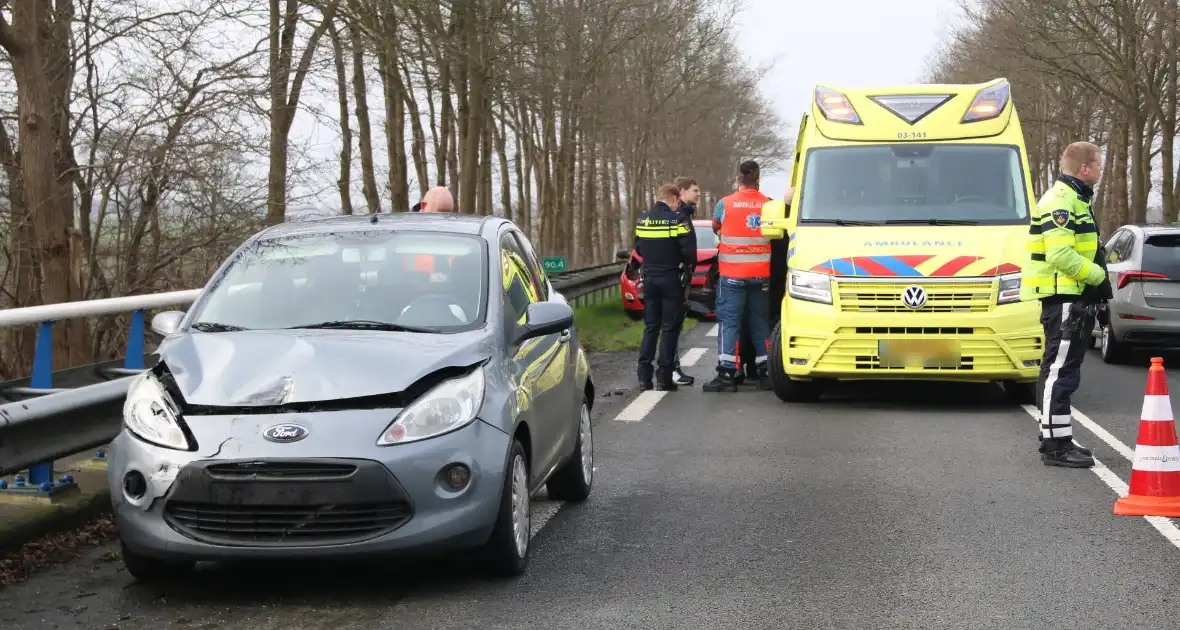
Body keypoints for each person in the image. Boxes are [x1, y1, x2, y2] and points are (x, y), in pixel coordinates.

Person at [1022, 141, 1112, 468]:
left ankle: (1058, 436)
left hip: (1072, 297)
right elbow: (1060, 254)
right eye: (1099, 164)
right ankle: (1054, 446)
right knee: (1060, 372)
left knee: (1063, 370)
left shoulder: (1075, 198)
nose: (1101, 169)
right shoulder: (1061, 201)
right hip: (1064, 298)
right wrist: (1098, 277)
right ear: (1084, 168)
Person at [704, 160, 773, 392]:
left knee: (730, 323)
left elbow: (716, 227)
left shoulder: (725, 204)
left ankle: (727, 373)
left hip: (732, 276)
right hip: (761, 275)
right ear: (758, 179)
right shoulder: (769, 205)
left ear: (738, 179)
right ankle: (766, 372)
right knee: (760, 323)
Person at [635, 183, 697, 391]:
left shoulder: (643, 219)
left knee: (650, 327)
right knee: (669, 328)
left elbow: (639, 248)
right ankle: (664, 377)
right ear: (672, 199)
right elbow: (689, 251)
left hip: (649, 278)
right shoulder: (677, 219)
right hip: (670, 278)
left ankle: (644, 376)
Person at [670, 176, 702, 386]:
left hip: (679, 275)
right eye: (695, 190)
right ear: (682, 191)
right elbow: (681, 248)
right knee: (672, 325)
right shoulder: (678, 215)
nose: (698, 194)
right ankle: (671, 369)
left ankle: (671, 367)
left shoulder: (683, 214)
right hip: (676, 276)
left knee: (673, 324)